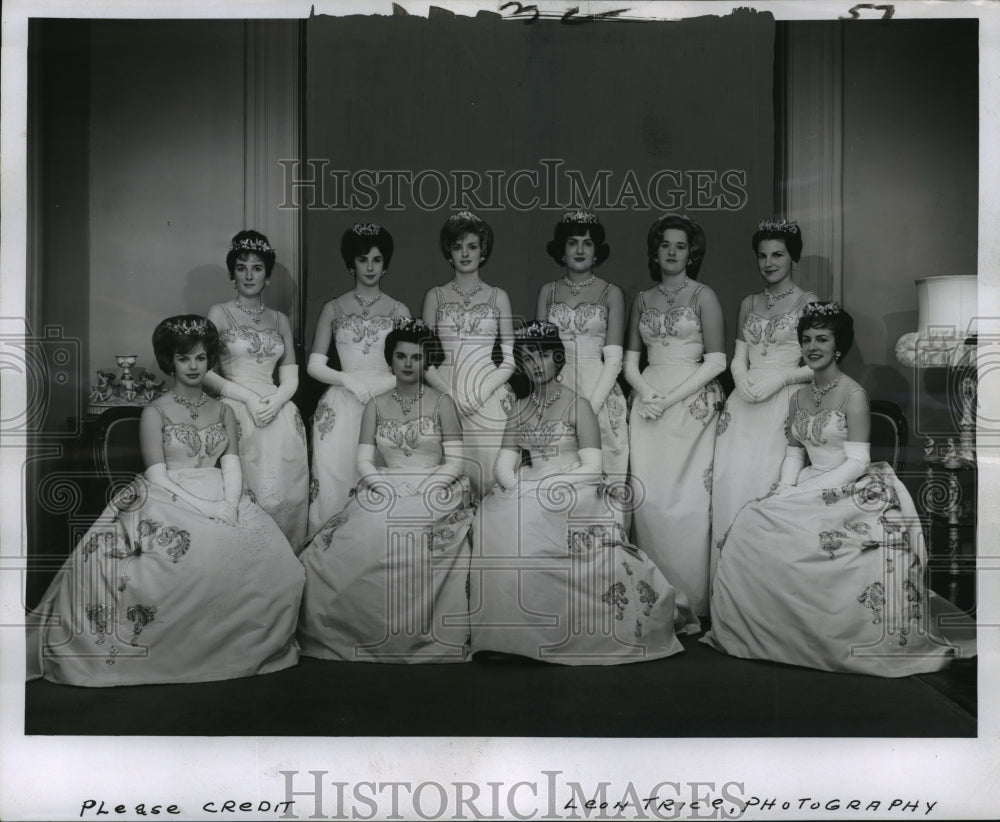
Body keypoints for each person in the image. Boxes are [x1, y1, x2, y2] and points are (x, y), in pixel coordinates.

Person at [27, 316, 305, 686]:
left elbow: (232, 463)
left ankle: (237, 648)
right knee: (173, 564)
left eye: (202, 358)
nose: (194, 366)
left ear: (210, 362)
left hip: (222, 491)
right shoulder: (154, 411)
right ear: (169, 362)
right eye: (184, 359)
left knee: (275, 562)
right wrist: (203, 508)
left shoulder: (224, 409)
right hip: (168, 494)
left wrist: (229, 503)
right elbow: (157, 474)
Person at [703, 303, 975, 675]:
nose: (813, 346)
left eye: (822, 339)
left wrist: (808, 494)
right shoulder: (798, 396)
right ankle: (775, 636)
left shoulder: (854, 395)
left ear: (838, 347)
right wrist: (785, 490)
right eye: (807, 339)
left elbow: (857, 463)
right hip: (809, 480)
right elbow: (794, 454)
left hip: (854, 486)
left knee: (832, 542)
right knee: (752, 521)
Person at [470, 321, 698, 665]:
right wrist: (520, 488)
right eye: (528, 357)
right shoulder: (518, 408)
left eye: (543, 355)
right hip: (530, 485)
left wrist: (550, 486)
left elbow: (592, 466)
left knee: (536, 521)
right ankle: (514, 634)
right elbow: (504, 465)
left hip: (572, 484)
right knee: (496, 519)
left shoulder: (579, 406)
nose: (536, 364)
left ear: (557, 359)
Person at [298, 319, 473, 663]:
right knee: (345, 546)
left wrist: (424, 491)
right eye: (401, 356)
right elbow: (364, 461)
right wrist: (385, 488)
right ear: (390, 360)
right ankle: (364, 632)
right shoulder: (375, 405)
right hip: (387, 484)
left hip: (434, 487)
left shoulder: (442, 403)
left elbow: (456, 462)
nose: (408, 364)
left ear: (426, 362)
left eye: (416, 357)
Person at [625, 214, 726, 618]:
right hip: (647, 404)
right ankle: (653, 600)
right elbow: (630, 361)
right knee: (648, 502)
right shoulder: (642, 298)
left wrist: (668, 399)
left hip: (691, 405)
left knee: (686, 504)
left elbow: (717, 361)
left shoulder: (705, 295)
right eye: (665, 244)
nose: (671, 252)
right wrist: (646, 392)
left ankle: (692, 602)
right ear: (655, 250)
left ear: (692, 252)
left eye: (680, 246)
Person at [710, 218, 817, 579]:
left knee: (765, 483)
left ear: (793, 259)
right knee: (731, 483)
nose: (769, 263)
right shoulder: (748, 302)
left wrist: (781, 379)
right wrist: (740, 379)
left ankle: (762, 585)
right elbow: (738, 355)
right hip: (742, 404)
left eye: (778, 255)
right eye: (762, 255)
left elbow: (816, 363)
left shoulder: (808, 302)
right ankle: (727, 587)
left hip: (783, 402)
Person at [204, 230, 309, 550]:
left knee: (284, 492)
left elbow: (291, 375)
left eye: (257, 268)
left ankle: (285, 564)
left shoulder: (280, 320)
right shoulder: (218, 313)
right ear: (231, 274)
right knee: (244, 492)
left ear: (267, 275)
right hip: (236, 409)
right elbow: (205, 371)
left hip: (279, 411)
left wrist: (276, 401)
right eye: (241, 267)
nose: (249, 275)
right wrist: (248, 397)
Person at [306, 224, 410, 534]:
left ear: (386, 264)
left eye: (376, 260)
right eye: (362, 259)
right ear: (351, 262)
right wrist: (348, 380)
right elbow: (314, 365)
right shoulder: (333, 308)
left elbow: (410, 365)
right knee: (334, 477)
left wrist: (383, 385)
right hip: (339, 406)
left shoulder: (398, 309)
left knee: (377, 476)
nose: (369, 267)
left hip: (385, 404)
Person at [422, 211, 515, 498]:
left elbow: (510, 359)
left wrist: (478, 394)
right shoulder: (434, 296)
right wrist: (449, 395)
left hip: (488, 394)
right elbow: (423, 359)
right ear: (449, 251)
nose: (465, 253)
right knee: (449, 476)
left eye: (472, 246)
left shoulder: (498, 296)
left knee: (487, 475)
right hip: (444, 390)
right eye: (458, 246)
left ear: (482, 251)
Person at [535, 210, 628, 488]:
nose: (579, 249)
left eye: (587, 243)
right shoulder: (547, 292)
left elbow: (614, 359)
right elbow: (538, 353)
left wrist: (590, 406)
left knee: (602, 469)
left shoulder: (611, 293)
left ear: (597, 251)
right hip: (556, 385)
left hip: (598, 384)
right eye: (572, 242)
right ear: (562, 249)